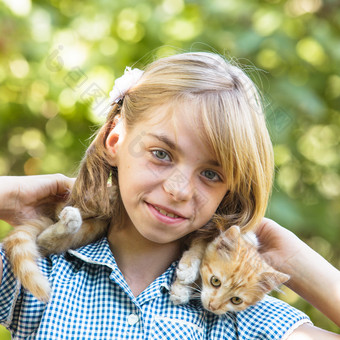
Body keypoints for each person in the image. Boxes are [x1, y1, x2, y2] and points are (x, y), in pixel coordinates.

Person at [0, 53, 339, 339]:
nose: (178, 190)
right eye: (161, 154)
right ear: (115, 141)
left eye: (210, 174)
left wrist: (293, 261)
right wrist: (9, 193)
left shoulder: (232, 309)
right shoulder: (40, 264)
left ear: (229, 191)